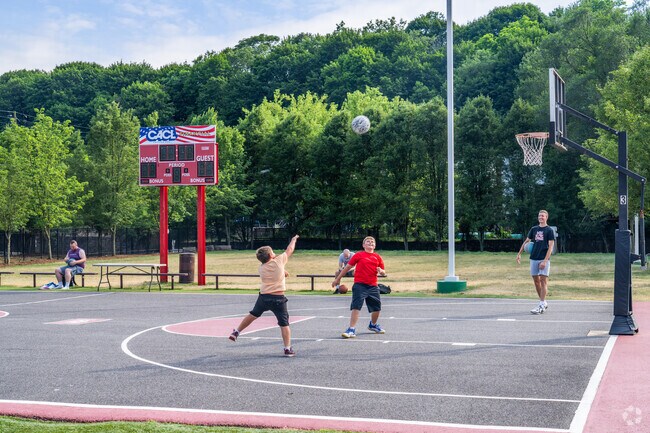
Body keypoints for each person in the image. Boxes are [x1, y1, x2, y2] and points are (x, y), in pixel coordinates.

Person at [229, 235, 299, 357]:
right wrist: (293, 240)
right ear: (271, 256)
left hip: (264, 297)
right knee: (284, 324)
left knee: (253, 314)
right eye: (273, 252)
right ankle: (287, 348)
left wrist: (282, 270)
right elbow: (289, 250)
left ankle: (237, 331)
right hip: (278, 298)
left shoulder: (261, 268)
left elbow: (277, 268)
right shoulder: (278, 261)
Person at [332, 236, 387, 338]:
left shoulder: (377, 257)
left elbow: (384, 273)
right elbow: (347, 267)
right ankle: (351, 329)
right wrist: (338, 279)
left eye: (372, 242)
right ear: (363, 245)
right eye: (368, 241)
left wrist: (381, 271)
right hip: (360, 285)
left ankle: (373, 325)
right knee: (356, 307)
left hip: (373, 286)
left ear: (375, 245)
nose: (370, 243)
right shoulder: (359, 255)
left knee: (377, 308)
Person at [517, 210, 556, 314]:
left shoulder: (549, 230)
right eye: (539, 216)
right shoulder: (534, 229)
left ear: (546, 217)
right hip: (533, 258)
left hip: (544, 259)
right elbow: (526, 241)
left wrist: (545, 260)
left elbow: (551, 246)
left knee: (543, 281)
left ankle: (541, 305)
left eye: (542, 216)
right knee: (536, 281)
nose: (540, 217)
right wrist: (519, 253)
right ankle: (543, 302)